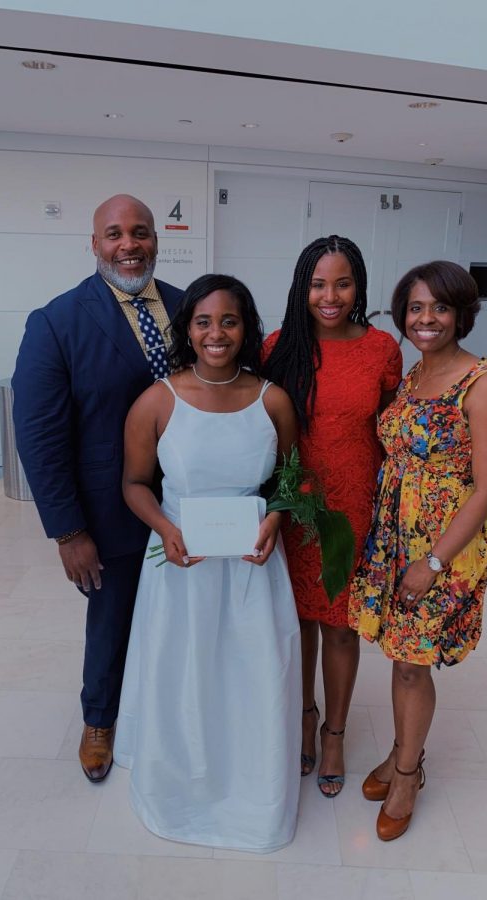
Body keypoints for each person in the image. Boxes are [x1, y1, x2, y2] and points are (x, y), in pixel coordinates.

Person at [114, 274, 302, 852]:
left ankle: (252, 780)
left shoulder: (272, 398)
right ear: (187, 329)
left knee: (252, 671)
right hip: (181, 564)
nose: (216, 333)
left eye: (229, 321)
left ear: (246, 329)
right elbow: (135, 483)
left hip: (251, 562)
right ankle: (182, 780)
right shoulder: (157, 400)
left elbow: (292, 478)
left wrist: (276, 517)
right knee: (183, 669)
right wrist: (167, 528)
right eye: (203, 321)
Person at [12, 194, 183, 783]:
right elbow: (38, 434)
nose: (128, 245)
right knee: (112, 619)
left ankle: (170, 711)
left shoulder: (192, 309)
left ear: (157, 239)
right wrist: (68, 530)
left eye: (140, 232)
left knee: (182, 617)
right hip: (107, 512)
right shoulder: (57, 321)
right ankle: (100, 721)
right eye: (114, 234)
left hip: (191, 504)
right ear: (94, 245)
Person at [349, 260, 487, 841]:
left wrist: (434, 561)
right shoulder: (413, 376)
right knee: (400, 657)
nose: (426, 319)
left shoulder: (483, 383)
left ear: (461, 314)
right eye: (415, 308)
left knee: (413, 665)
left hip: (443, 548)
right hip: (394, 537)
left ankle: (407, 772)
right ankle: (401, 754)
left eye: (439, 308)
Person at [262, 235, 402, 797]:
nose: (330, 295)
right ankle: (301, 717)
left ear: (358, 286)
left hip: (354, 512)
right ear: (302, 287)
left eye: (342, 283)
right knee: (296, 623)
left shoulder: (381, 348)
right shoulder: (278, 345)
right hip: (295, 507)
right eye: (318, 283)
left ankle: (335, 731)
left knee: (342, 627)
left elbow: (390, 431)